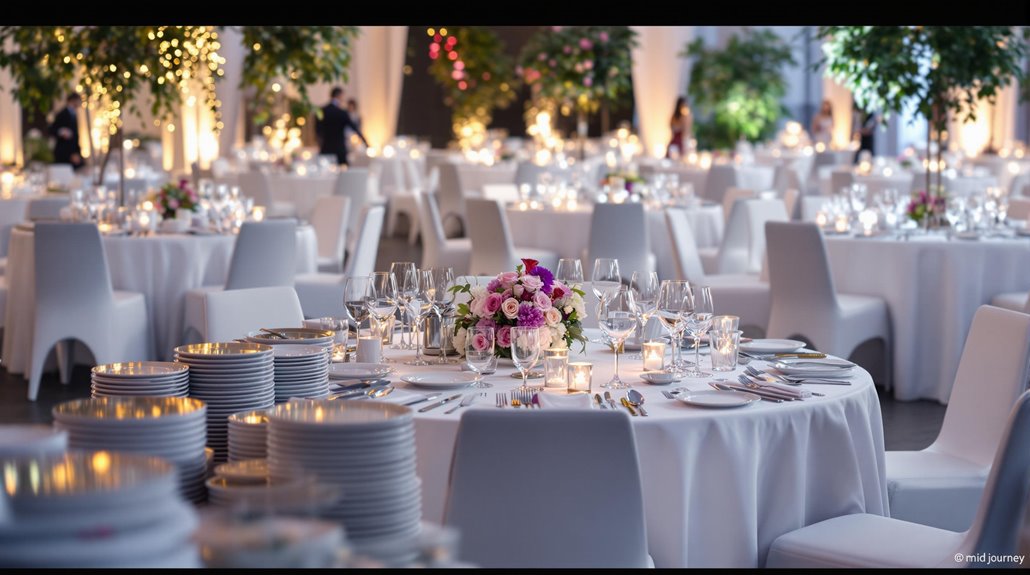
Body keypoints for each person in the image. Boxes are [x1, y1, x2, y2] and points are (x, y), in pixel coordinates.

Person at [315, 87, 368, 166]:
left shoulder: (321, 111)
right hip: (339, 150)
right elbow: (355, 129)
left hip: (325, 148)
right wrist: (367, 144)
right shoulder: (342, 113)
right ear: (339, 96)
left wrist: (320, 143)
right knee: (344, 174)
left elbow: (318, 131)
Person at [48, 93, 83, 170]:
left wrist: (76, 152)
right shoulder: (62, 114)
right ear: (73, 100)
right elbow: (52, 130)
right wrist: (61, 132)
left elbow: (75, 136)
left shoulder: (74, 114)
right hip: (63, 153)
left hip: (72, 152)